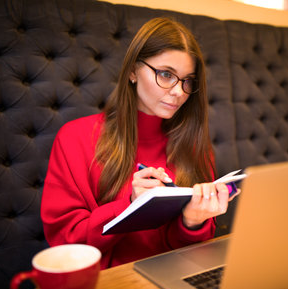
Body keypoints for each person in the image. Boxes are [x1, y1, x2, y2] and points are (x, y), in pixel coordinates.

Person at [41, 17, 237, 269]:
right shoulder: (75, 138)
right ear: (133, 71)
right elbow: (65, 244)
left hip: (177, 277)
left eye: (187, 80)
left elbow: (194, 253)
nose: (179, 92)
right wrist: (130, 207)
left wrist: (193, 222)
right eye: (166, 75)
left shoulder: (195, 144)